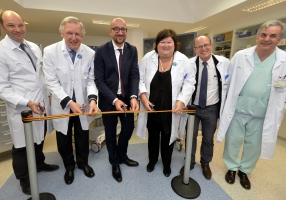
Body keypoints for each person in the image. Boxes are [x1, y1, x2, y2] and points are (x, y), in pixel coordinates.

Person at [0, 10, 59, 195]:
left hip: (40, 103)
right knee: (21, 145)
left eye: (20, 25)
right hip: (21, 108)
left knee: (39, 138)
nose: (17, 29)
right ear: (2, 26)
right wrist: (27, 102)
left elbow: (39, 75)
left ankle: (40, 163)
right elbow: (2, 88)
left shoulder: (33, 47)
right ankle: (24, 179)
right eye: (11, 25)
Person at [217, 19, 286, 190]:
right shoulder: (241, 55)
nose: (266, 39)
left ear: (279, 39)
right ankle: (232, 168)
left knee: (254, 145)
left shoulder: (284, 60)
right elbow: (229, 81)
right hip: (238, 109)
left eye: (273, 36)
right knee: (232, 141)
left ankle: (245, 170)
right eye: (263, 34)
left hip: (263, 113)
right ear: (257, 37)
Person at [43, 16, 98, 185]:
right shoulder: (50, 51)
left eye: (78, 34)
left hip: (82, 105)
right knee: (63, 138)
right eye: (69, 33)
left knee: (82, 135)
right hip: (63, 105)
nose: (74, 37)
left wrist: (93, 100)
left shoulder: (89, 53)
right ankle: (69, 166)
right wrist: (69, 102)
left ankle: (83, 163)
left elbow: (91, 80)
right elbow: (51, 82)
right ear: (62, 33)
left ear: (82, 35)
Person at [136, 29, 195, 177]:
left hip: (171, 109)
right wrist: (143, 98)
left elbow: (189, 83)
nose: (166, 45)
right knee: (153, 136)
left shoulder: (184, 61)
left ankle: (167, 164)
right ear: (157, 44)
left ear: (175, 44)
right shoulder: (148, 58)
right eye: (162, 42)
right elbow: (139, 78)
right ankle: (152, 160)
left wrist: (181, 101)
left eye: (169, 42)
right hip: (152, 108)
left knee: (169, 137)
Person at [94, 18, 139, 183]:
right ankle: (114, 162)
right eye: (116, 29)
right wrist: (114, 100)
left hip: (127, 99)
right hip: (108, 101)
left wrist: (134, 96)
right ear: (110, 31)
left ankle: (122, 155)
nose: (120, 32)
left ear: (126, 31)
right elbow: (99, 80)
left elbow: (134, 75)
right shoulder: (101, 51)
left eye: (123, 29)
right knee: (111, 134)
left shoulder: (132, 50)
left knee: (127, 130)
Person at [179, 36, 230, 180]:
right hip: (192, 108)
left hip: (212, 108)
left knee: (208, 138)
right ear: (195, 49)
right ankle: (189, 162)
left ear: (211, 45)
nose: (203, 49)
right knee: (191, 137)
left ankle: (205, 163)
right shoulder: (189, 64)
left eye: (206, 45)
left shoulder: (223, 63)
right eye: (199, 47)